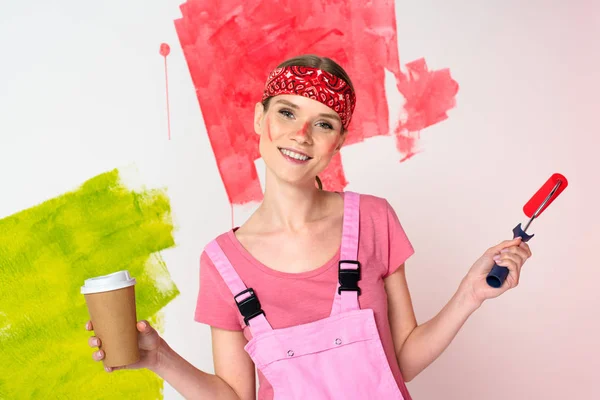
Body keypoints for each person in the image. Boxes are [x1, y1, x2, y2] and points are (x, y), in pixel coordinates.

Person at [85, 54, 532, 400]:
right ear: (260, 119)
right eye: (286, 113)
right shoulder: (222, 262)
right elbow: (235, 396)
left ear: (337, 142)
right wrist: (159, 357)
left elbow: (398, 362)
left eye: (323, 123)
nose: (301, 134)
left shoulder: (374, 220)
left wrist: (469, 295)